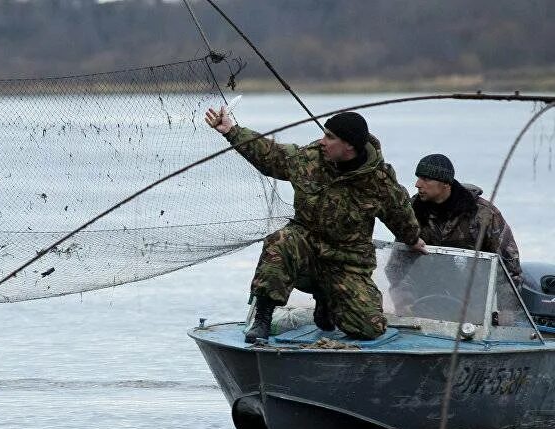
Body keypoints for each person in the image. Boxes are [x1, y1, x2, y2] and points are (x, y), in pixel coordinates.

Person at [204, 106, 426, 342]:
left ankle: (328, 300)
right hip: (305, 250)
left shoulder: (380, 182)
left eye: (330, 137)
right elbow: (271, 155)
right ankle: (263, 318)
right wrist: (231, 131)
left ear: (349, 145)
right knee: (281, 241)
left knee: (369, 328)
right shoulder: (309, 159)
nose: (322, 141)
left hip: (347, 262)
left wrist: (413, 240)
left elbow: (401, 216)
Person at [411, 153, 522, 284]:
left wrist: (498, 304)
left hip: (474, 298)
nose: (417, 184)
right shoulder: (413, 210)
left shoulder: (484, 214)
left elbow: (510, 270)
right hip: (425, 297)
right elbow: (399, 263)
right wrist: (404, 300)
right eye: (418, 178)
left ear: (446, 183)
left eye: (426, 179)